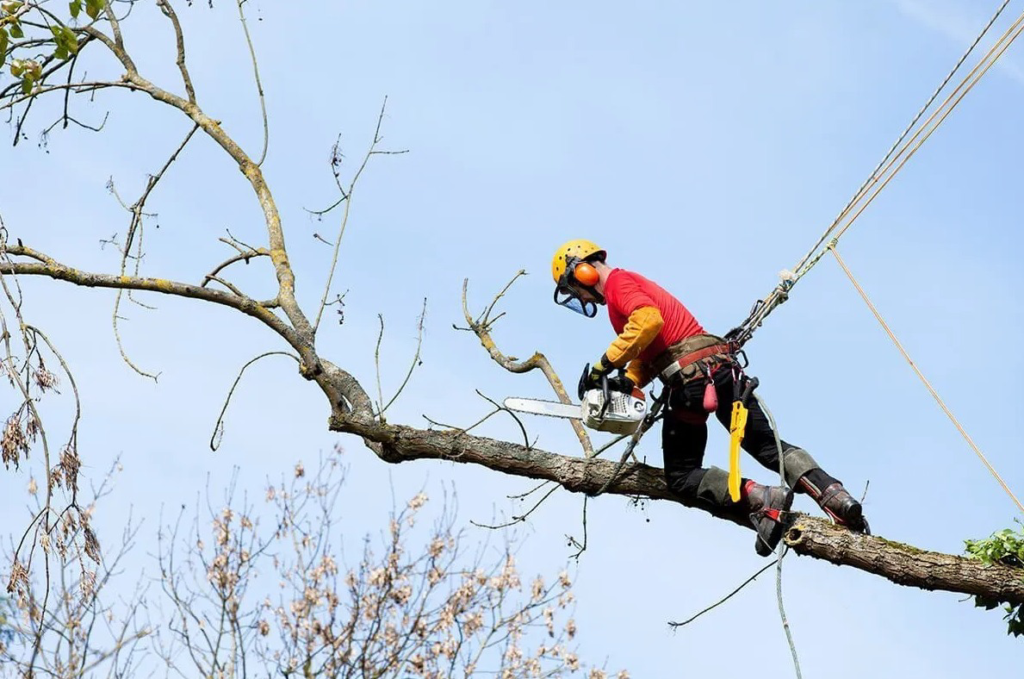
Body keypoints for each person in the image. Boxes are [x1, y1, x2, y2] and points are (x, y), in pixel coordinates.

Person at [551, 239, 869, 555]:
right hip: (720, 371)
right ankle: (836, 497)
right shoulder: (628, 285)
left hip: (691, 382)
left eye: (573, 288)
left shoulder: (619, 283)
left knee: (682, 474)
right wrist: (629, 380)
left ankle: (761, 499)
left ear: (582, 272)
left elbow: (648, 321)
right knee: (766, 445)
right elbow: (651, 349)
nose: (578, 296)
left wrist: (602, 367)